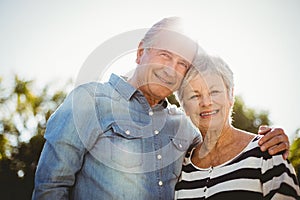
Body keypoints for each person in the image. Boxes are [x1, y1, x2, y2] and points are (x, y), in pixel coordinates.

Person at [32, 17, 290, 200]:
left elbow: (221, 139)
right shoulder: (89, 101)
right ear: (141, 51)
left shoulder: (184, 125)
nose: (170, 69)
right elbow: (50, 187)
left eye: (181, 63)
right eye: (165, 55)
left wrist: (269, 139)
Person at [175, 54, 300, 199]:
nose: (206, 102)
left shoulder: (267, 152)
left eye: (214, 92)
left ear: (231, 96)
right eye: (194, 95)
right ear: (184, 107)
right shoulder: (181, 167)